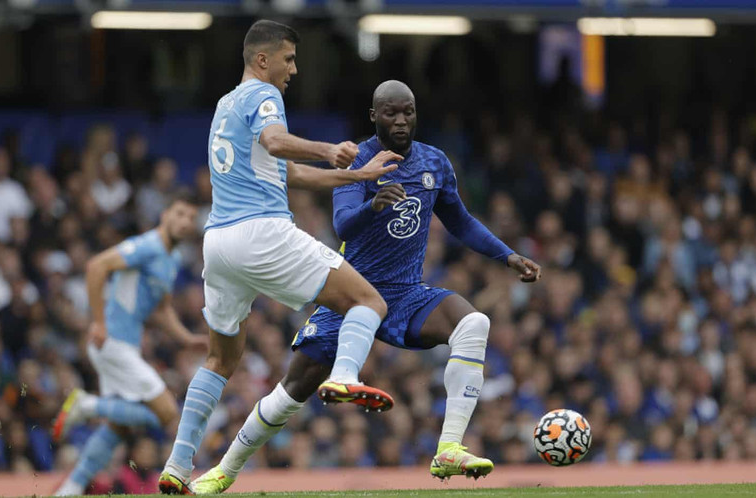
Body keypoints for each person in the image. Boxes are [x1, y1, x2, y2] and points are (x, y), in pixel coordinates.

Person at [188, 80, 542, 493]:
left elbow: (460, 220)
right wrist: (374, 204)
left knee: (474, 323)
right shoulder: (360, 161)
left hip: (406, 294)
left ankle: (449, 447)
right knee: (296, 388)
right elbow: (342, 224)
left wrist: (507, 256)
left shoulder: (434, 163)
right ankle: (225, 470)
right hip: (351, 296)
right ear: (374, 116)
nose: (401, 120)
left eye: (408, 111)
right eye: (391, 113)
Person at [159, 20, 403, 494]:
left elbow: (284, 171)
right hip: (262, 233)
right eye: (289, 58)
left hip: (220, 243)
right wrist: (329, 148)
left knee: (220, 359)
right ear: (263, 59)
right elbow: (276, 142)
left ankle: (176, 466)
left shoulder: (226, 104)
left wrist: (357, 176)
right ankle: (345, 377)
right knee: (367, 303)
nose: (294, 68)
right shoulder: (263, 96)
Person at [52, 194, 206, 496]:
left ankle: (71, 487)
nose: (185, 222)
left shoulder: (171, 258)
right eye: (179, 213)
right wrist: (98, 321)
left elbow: (161, 309)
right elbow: (97, 266)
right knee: (166, 413)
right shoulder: (147, 246)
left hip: (125, 346)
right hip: (112, 342)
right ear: (165, 216)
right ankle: (87, 405)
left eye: (190, 217)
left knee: (117, 426)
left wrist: (187, 339)